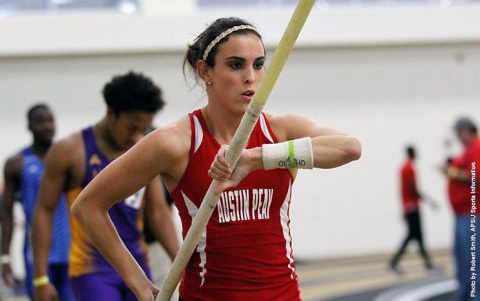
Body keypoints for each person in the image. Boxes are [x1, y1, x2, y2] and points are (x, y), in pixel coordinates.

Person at [71, 17, 362, 301]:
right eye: (236, 65)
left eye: (259, 65)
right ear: (205, 71)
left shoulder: (280, 131)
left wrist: (255, 158)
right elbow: (88, 206)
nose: (251, 77)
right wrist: (141, 285)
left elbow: (349, 148)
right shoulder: (176, 142)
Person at [31, 72, 179, 301]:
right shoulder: (69, 151)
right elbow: (44, 210)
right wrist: (41, 278)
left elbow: (158, 213)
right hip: (92, 270)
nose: (136, 135)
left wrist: (181, 263)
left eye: (142, 128)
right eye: (131, 126)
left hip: (138, 263)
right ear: (111, 112)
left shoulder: (143, 149)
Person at [1, 104, 74, 301]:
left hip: (71, 250)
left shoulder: (68, 158)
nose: (47, 126)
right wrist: (5, 257)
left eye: (50, 120)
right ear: (29, 126)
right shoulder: (17, 163)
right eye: (40, 121)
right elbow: (6, 213)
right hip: (37, 253)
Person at [440, 117, 480, 301]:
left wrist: (453, 173)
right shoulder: (468, 150)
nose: (456, 135)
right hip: (463, 214)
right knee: (464, 262)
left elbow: (476, 177)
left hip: (471, 214)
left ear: (466, 130)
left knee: (472, 263)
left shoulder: (476, 147)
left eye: (458, 131)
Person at [389, 145, 435, 273]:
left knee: (416, 236)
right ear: (412, 153)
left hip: (409, 206)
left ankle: (427, 263)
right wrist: (429, 201)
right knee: (414, 235)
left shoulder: (405, 167)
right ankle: (394, 262)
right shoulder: (409, 168)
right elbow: (411, 187)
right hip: (412, 207)